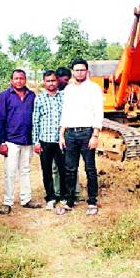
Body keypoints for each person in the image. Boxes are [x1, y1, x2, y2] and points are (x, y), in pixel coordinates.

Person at [58, 59, 104, 216]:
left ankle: (92, 201)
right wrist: (61, 134)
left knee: (90, 169)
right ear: (72, 72)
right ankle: (70, 201)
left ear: (87, 71)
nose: (79, 73)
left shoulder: (94, 89)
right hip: (70, 134)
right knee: (70, 169)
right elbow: (66, 112)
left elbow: (99, 112)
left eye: (82, 70)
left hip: (87, 134)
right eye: (76, 70)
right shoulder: (69, 90)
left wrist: (95, 135)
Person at [0, 69, 41, 214]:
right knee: (10, 172)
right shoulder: (4, 96)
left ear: (25, 79)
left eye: (21, 78)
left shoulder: (32, 95)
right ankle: (7, 202)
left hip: (27, 140)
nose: (19, 81)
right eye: (16, 78)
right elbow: (0, 119)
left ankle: (26, 199)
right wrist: (1, 142)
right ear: (11, 80)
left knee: (25, 170)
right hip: (11, 140)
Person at [32, 70, 66, 210]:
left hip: (61, 140)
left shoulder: (63, 97)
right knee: (47, 171)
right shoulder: (39, 98)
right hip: (45, 140)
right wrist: (36, 141)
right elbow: (36, 120)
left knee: (63, 169)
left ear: (57, 81)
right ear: (44, 82)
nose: (51, 83)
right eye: (48, 81)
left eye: (53, 80)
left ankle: (64, 196)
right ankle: (50, 197)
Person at [54, 67, 81, 201]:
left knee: (72, 165)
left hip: (70, 133)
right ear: (58, 78)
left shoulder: (71, 93)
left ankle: (74, 193)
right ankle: (58, 193)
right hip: (54, 136)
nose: (67, 82)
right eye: (65, 80)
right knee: (56, 167)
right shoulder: (51, 94)